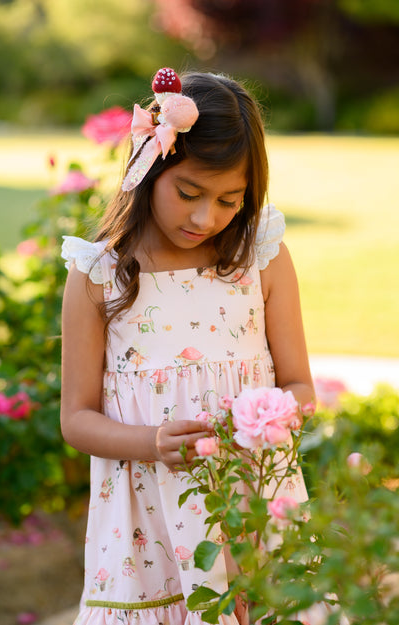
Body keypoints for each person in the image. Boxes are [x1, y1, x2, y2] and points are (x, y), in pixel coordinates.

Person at [60, 68, 316, 625]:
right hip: (147, 525)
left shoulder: (260, 259)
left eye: (229, 200)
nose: (206, 217)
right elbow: (76, 419)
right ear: (150, 164)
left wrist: (262, 423)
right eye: (189, 193)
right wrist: (152, 441)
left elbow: (300, 388)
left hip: (250, 501)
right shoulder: (99, 275)